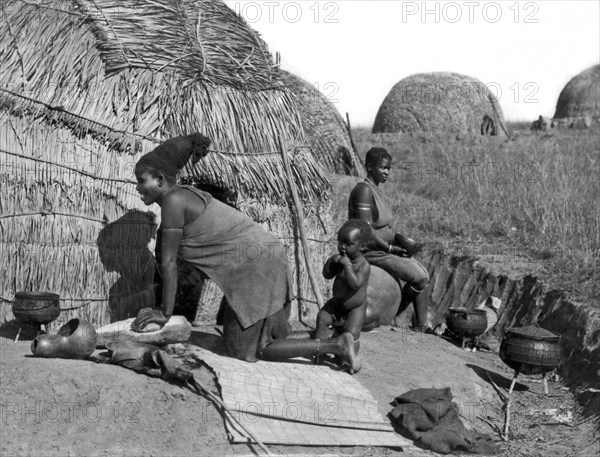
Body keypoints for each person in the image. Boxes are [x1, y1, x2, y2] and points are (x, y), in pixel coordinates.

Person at [131, 133, 360, 372]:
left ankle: (335, 346)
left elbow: (168, 264)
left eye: (141, 180)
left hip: (257, 265)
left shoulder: (173, 201)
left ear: (159, 179)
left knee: (248, 350)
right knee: (259, 334)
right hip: (264, 258)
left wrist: (164, 313)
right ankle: (319, 340)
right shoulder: (185, 195)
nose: (137, 187)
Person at [347, 147, 433, 333]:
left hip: (381, 248)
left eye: (388, 168)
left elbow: (381, 225)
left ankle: (404, 317)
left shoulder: (376, 191)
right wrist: (389, 247)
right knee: (420, 277)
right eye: (382, 168)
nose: (386, 172)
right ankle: (417, 324)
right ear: (369, 166)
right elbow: (365, 229)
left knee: (422, 272)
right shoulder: (364, 190)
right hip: (370, 251)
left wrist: (400, 239)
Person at [314, 219, 371, 370]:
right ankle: (319, 352)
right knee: (322, 318)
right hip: (337, 303)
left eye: (348, 244)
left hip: (355, 308)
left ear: (362, 247)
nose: (343, 247)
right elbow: (327, 274)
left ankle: (347, 359)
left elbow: (355, 284)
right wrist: (332, 262)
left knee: (351, 334)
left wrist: (347, 266)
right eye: (340, 242)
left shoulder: (364, 265)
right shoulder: (340, 260)